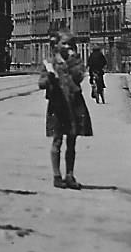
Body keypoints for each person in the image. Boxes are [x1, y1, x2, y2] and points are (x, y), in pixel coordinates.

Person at [39, 31, 92, 188]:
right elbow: (41, 83)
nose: (68, 46)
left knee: (72, 140)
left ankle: (70, 174)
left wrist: (71, 62)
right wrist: (49, 78)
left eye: (70, 44)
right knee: (57, 140)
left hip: (74, 103)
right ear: (56, 45)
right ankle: (57, 176)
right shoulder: (50, 62)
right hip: (57, 104)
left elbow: (79, 76)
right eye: (65, 43)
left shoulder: (75, 61)